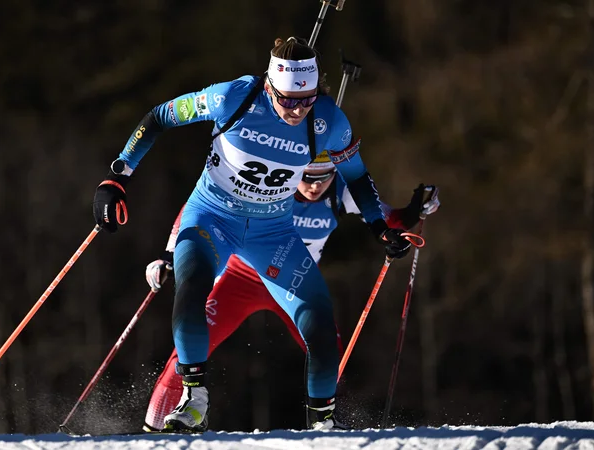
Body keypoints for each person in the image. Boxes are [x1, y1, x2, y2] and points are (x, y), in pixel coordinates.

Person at [92, 36, 419, 431]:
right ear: (269, 86)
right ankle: (194, 399)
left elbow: (358, 178)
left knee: (318, 321)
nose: (297, 110)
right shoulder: (234, 97)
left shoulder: (329, 121)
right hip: (213, 218)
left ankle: (323, 428)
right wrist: (117, 177)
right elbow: (161, 116)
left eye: (307, 99)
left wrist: (381, 228)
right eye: (287, 100)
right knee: (191, 285)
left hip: (273, 234)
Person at [141, 154, 440, 431]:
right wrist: (169, 255)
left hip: (293, 283)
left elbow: (388, 221)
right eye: (307, 177)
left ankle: (331, 428)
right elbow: (198, 205)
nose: (314, 186)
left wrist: (416, 208)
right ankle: (153, 431)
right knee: (187, 353)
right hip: (240, 280)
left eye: (323, 178)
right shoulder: (272, 183)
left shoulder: (340, 192)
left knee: (331, 356)